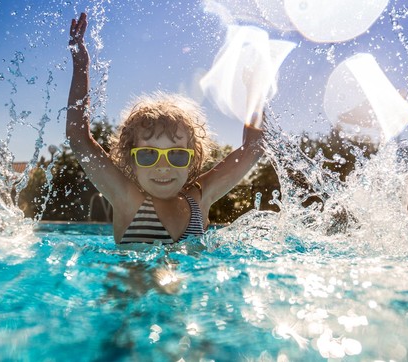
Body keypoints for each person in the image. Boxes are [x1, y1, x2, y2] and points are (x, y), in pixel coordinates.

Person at [66, 13, 265, 245]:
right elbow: (78, 138)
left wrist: (256, 91)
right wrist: (81, 66)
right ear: (131, 160)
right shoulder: (126, 198)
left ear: (193, 159)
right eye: (148, 154)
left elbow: (254, 148)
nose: (163, 167)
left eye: (177, 155)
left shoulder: (200, 198)